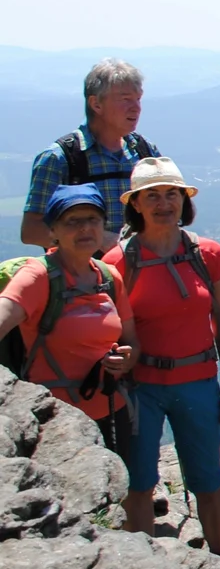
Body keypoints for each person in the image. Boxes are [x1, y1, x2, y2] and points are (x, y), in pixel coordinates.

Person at [101, 159, 220, 560]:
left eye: (172, 194)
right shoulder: (118, 262)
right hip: (141, 386)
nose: (164, 203)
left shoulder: (207, 254)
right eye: (153, 196)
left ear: (184, 200)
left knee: (208, 479)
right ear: (136, 205)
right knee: (139, 482)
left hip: (198, 380)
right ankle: (145, 567)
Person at [0, 184, 136, 464]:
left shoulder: (108, 276)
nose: (85, 228)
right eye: (73, 221)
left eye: (92, 220)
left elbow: (132, 341)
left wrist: (125, 360)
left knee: (126, 495)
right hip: (57, 421)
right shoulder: (38, 275)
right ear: (53, 231)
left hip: (111, 407)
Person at [22, 58, 159, 246]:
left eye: (138, 99)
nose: (136, 107)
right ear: (96, 104)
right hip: (84, 273)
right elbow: (31, 231)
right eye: (125, 99)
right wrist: (99, 240)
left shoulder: (144, 151)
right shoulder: (61, 158)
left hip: (142, 270)